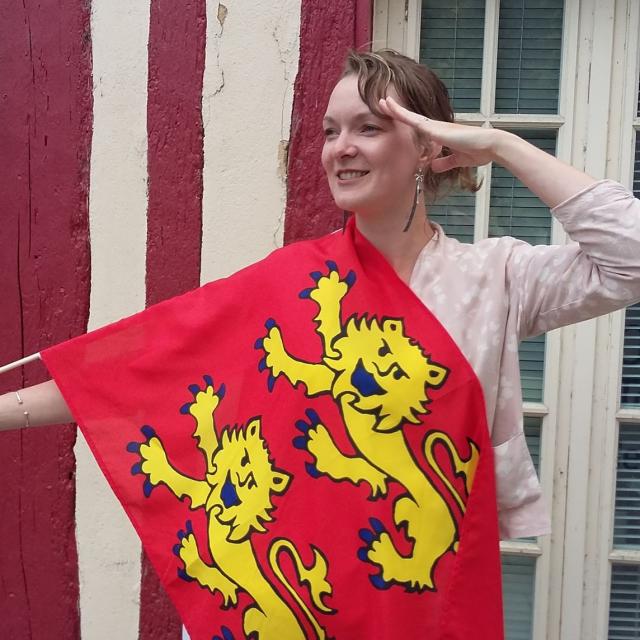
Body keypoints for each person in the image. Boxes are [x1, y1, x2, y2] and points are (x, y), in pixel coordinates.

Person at [1, 49, 639, 638]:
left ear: (429, 146)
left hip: (426, 593)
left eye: (368, 127)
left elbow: (630, 259)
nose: (340, 149)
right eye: (331, 131)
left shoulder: (497, 278)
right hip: (302, 597)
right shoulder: (293, 284)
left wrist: (499, 145)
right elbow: (134, 371)